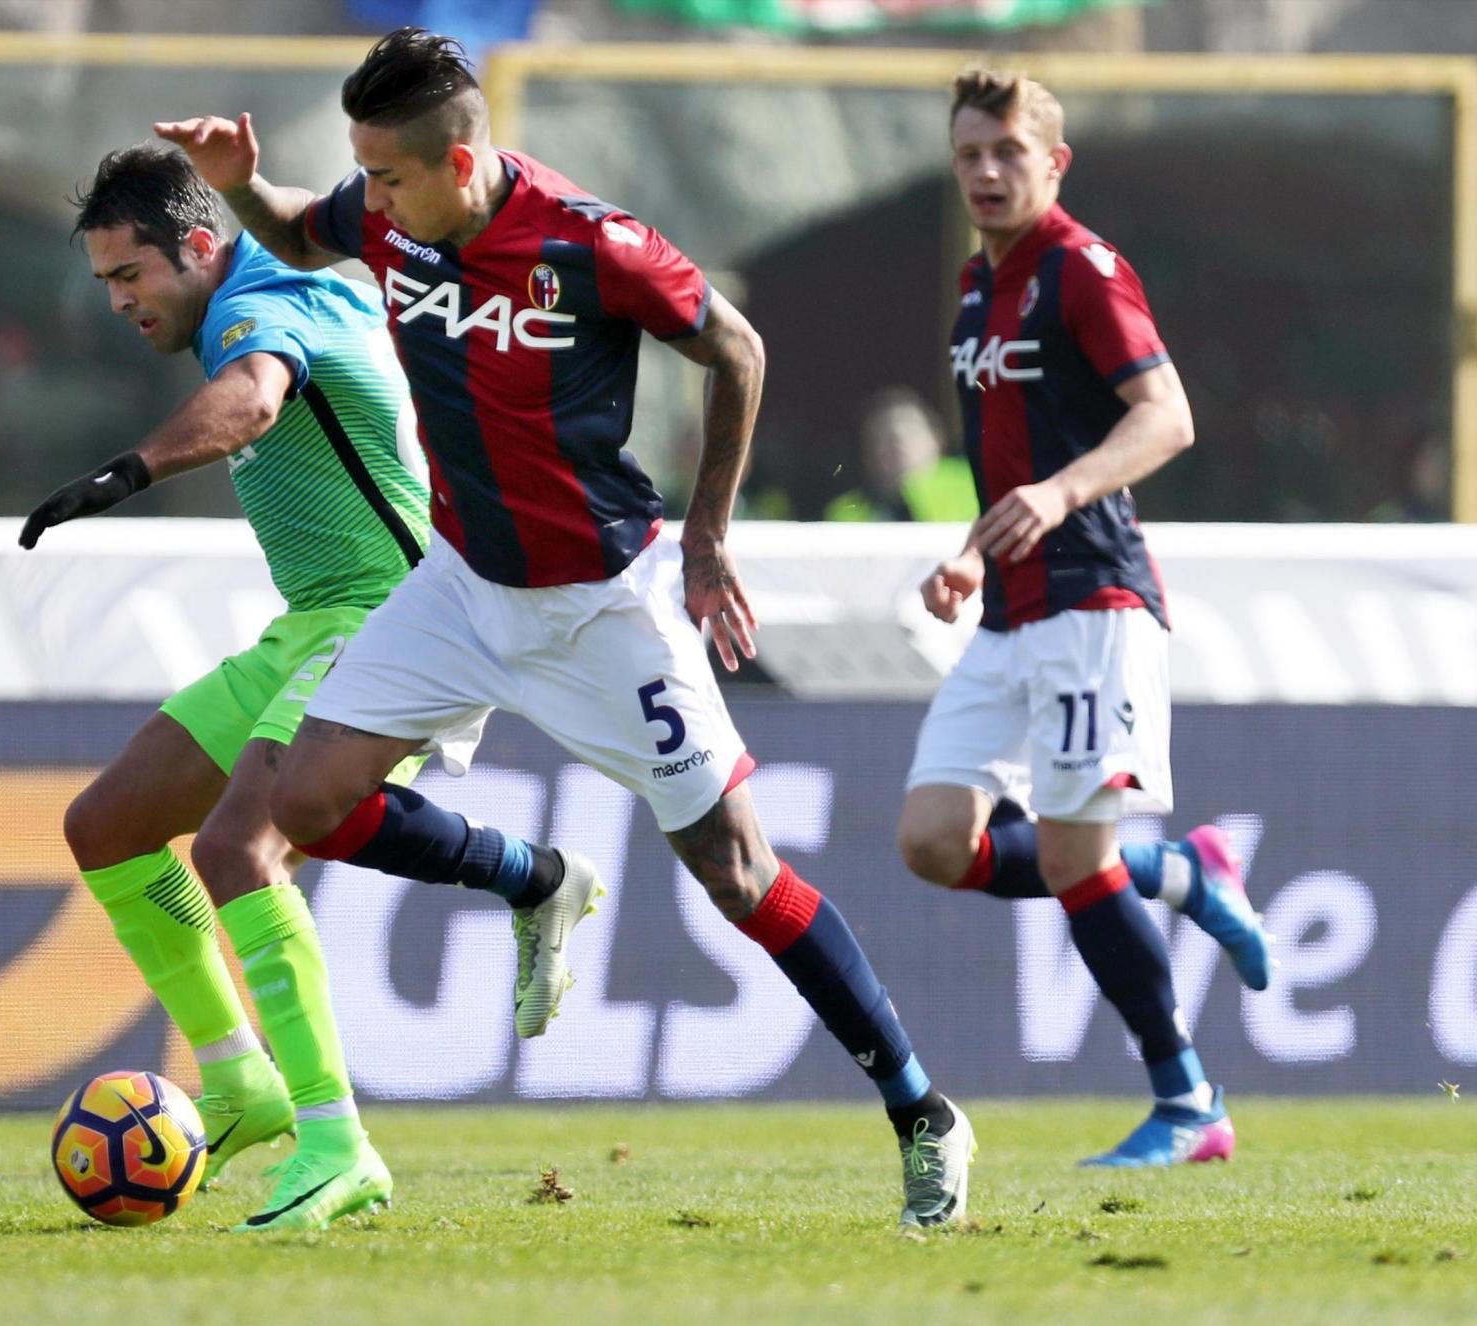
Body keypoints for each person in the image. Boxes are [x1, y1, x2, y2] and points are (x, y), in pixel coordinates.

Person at [159, 28, 974, 1228]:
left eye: (389, 176)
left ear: (463, 155)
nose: (371, 199)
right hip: (459, 584)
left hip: (606, 601)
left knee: (738, 874)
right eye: (364, 175)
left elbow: (734, 348)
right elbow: (298, 226)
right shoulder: (387, 219)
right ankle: (532, 883)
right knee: (302, 805)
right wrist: (237, 183)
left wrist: (705, 537)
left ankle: (920, 1114)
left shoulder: (586, 242)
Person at [19, 142, 437, 1231]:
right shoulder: (264, 291)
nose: (117, 302)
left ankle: (337, 1141)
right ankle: (239, 1080)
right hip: (315, 625)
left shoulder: (266, 304)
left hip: (394, 620)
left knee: (235, 851)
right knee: (106, 823)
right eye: (106, 281)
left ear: (198, 249)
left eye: (130, 277)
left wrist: (130, 471)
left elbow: (253, 401)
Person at [897, 70, 1272, 1167]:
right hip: (1007, 610)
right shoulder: (977, 284)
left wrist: (1061, 494)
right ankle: (1179, 873)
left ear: (1052, 163)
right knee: (931, 842)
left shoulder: (1079, 269)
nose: (983, 171)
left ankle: (1188, 1103)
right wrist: (968, 554)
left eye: (1006, 152)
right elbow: (1008, 464)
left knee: (1070, 860)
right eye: (967, 153)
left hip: (1094, 601)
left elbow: (1167, 418)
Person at [824, 386, 977, 523]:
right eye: (882, 438)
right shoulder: (846, 511)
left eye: (910, 432)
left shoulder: (976, 485)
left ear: (937, 440)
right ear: (867, 454)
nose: (898, 444)